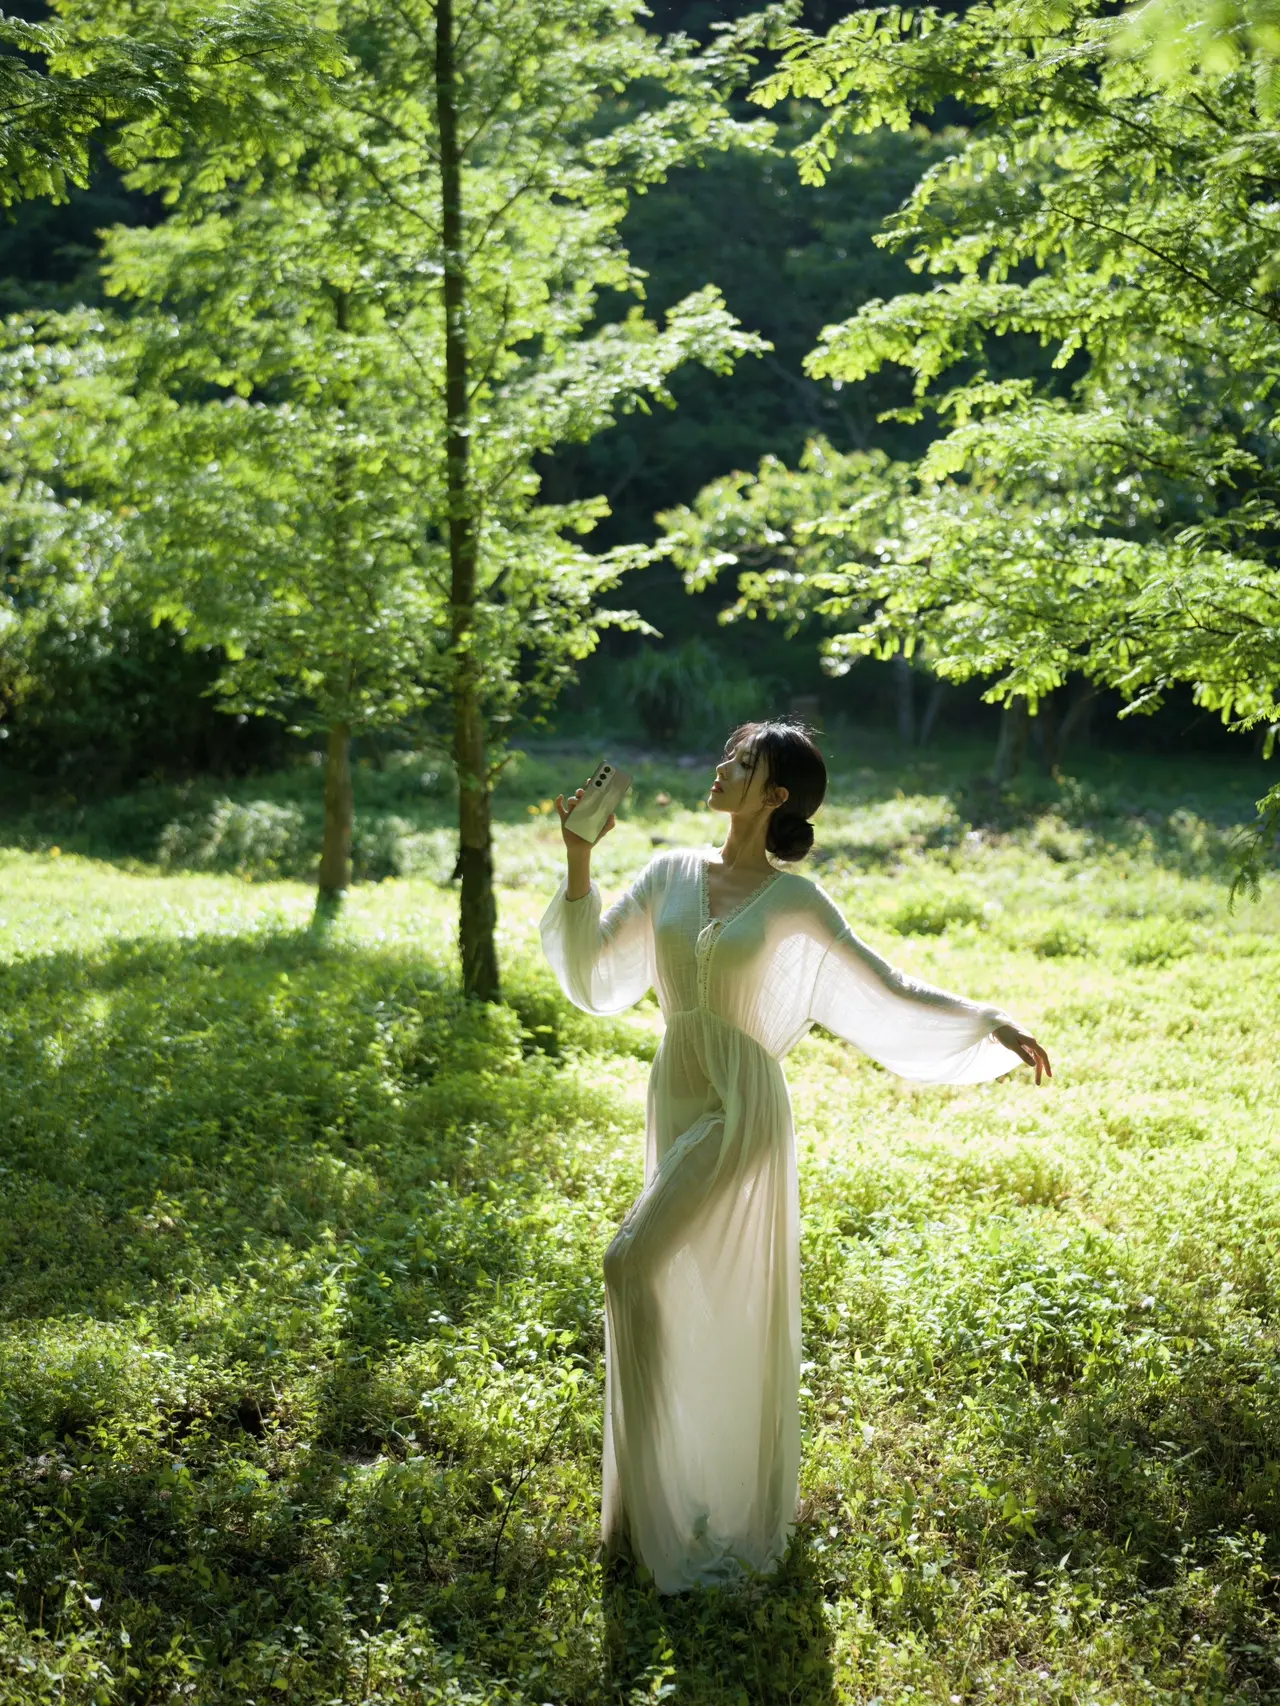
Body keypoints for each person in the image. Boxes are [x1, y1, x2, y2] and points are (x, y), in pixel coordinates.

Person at [539, 721, 1051, 1595]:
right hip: (678, 1093)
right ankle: (642, 1509)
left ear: (774, 796)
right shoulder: (668, 873)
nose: (722, 768)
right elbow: (593, 976)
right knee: (659, 1283)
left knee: (628, 1263)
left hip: (742, 1111)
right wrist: (579, 855)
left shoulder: (796, 902)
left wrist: (986, 1023)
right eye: (730, 756)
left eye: (743, 764)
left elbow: (884, 987)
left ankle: (664, 1514)